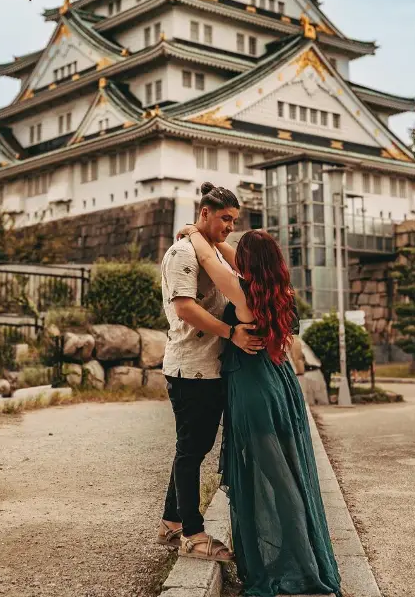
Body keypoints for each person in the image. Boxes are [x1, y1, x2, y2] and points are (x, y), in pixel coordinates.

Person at [176, 223, 342, 597]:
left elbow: (207, 259)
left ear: (249, 264)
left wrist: (195, 233)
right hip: (282, 386)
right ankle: (303, 553)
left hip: (256, 392)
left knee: (277, 478)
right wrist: (222, 241)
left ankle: (300, 563)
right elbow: (239, 259)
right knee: (286, 473)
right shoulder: (279, 289)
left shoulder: (242, 293)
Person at [157, 182, 264, 563]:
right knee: (191, 452)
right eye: (224, 219)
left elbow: (239, 267)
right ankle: (191, 533)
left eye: (234, 221)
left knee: (194, 448)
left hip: (210, 367)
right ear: (205, 213)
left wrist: (211, 239)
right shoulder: (182, 254)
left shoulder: (209, 251)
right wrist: (230, 333)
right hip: (191, 369)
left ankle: (171, 522)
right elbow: (184, 307)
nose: (229, 227)